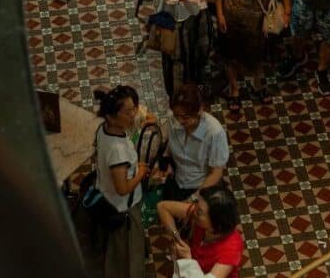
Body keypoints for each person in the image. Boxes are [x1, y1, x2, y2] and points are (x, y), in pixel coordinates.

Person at [93, 85, 149, 278]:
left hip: (105, 195)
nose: (133, 115)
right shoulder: (118, 151)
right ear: (111, 116)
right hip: (122, 207)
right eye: (127, 112)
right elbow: (123, 188)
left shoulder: (104, 129)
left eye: (133, 108)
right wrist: (141, 173)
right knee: (127, 252)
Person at [156, 85, 230, 202]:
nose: (179, 121)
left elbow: (216, 173)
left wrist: (194, 198)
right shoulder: (173, 119)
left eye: (185, 117)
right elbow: (171, 144)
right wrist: (167, 163)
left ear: (200, 110)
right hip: (178, 180)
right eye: (176, 116)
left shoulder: (214, 133)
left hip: (201, 187)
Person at [158, 183, 244, 278]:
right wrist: (176, 236)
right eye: (196, 203)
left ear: (216, 222)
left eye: (200, 212)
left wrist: (188, 260)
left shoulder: (231, 250)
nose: (193, 210)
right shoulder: (198, 216)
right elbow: (162, 207)